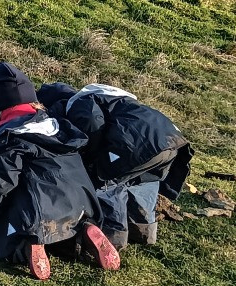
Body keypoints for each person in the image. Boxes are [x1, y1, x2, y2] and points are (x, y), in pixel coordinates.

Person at [0, 61, 121, 280]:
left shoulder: (10, 138)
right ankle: (85, 231)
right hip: (83, 204)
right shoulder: (60, 129)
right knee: (69, 232)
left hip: (39, 211)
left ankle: (30, 243)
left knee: (1, 234)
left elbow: (1, 181)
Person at [36, 82, 193, 248]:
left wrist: (91, 154)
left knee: (106, 180)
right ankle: (143, 232)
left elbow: (91, 119)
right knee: (141, 184)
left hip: (137, 144)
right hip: (172, 141)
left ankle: (112, 238)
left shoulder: (77, 102)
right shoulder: (108, 96)